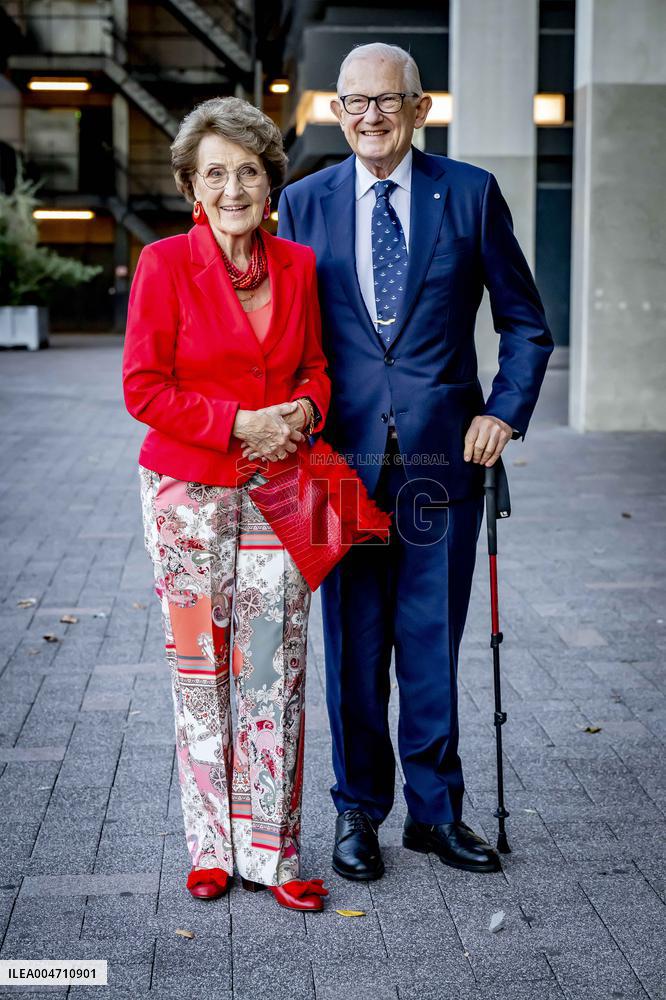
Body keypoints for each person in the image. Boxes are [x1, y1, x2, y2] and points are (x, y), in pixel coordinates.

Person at [278, 43, 554, 879]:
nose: (369, 116)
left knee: (429, 641)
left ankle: (436, 816)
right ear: (336, 112)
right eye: (353, 102)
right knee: (352, 648)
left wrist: (502, 412)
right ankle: (358, 812)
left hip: (441, 457)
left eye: (387, 101)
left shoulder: (468, 193)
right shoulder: (303, 202)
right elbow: (283, 336)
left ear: (420, 107)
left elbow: (525, 323)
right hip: (334, 462)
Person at [123, 96, 331, 911]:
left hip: (284, 488)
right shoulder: (163, 265)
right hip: (184, 494)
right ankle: (210, 846)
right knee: (199, 668)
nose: (233, 187)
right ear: (192, 187)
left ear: (268, 182)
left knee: (273, 671)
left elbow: (317, 368)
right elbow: (143, 388)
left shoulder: (300, 266)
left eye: (247, 170)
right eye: (216, 174)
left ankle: (274, 855)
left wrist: (304, 413)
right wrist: (242, 422)